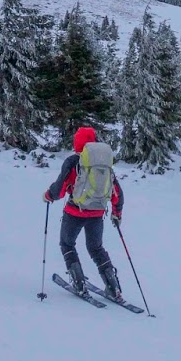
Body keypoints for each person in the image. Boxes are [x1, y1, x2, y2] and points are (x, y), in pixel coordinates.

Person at [43, 125, 125, 301]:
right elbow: (117, 191)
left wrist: (48, 195)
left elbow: (59, 189)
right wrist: (117, 213)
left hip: (75, 212)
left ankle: (79, 283)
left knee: (67, 244)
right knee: (96, 248)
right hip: (97, 213)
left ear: (77, 143)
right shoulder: (103, 164)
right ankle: (113, 286)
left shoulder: (73, 162)